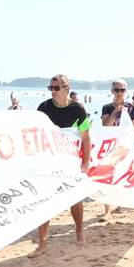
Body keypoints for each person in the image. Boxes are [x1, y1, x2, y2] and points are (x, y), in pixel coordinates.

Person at [30, 74, 91, 257]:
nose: (53, 91)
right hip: (48, 160)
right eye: (51, 88)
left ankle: (79, 231)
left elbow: (86, 138)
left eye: (57, 88)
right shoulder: (44, 108)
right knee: (44, 200)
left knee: (75, 198)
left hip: (70, 160)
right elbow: (34, 132)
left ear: (66, 89)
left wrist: (85, 162)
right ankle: (42, 242)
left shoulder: (78, 109)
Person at [101, 78, 134, 217]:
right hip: (110, 147)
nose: (120, 93)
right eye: (117, 90)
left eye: (122, 90)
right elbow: (106, 127)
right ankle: (107, 210)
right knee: (107, 177)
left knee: (122, 175)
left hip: (126, 147)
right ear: (112, 91)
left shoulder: (131, 108)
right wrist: (115, 112)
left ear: (126, 91)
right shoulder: (107, 107)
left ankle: (118, 204)